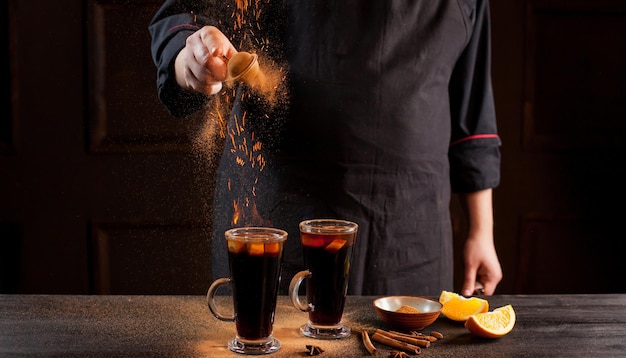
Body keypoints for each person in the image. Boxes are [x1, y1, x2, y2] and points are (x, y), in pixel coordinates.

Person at [149, 0, 503, 297]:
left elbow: (471, 102)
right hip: (277, 213)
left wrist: (481, 231)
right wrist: (189, 58)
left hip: (410, 231)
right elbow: (185, 14)